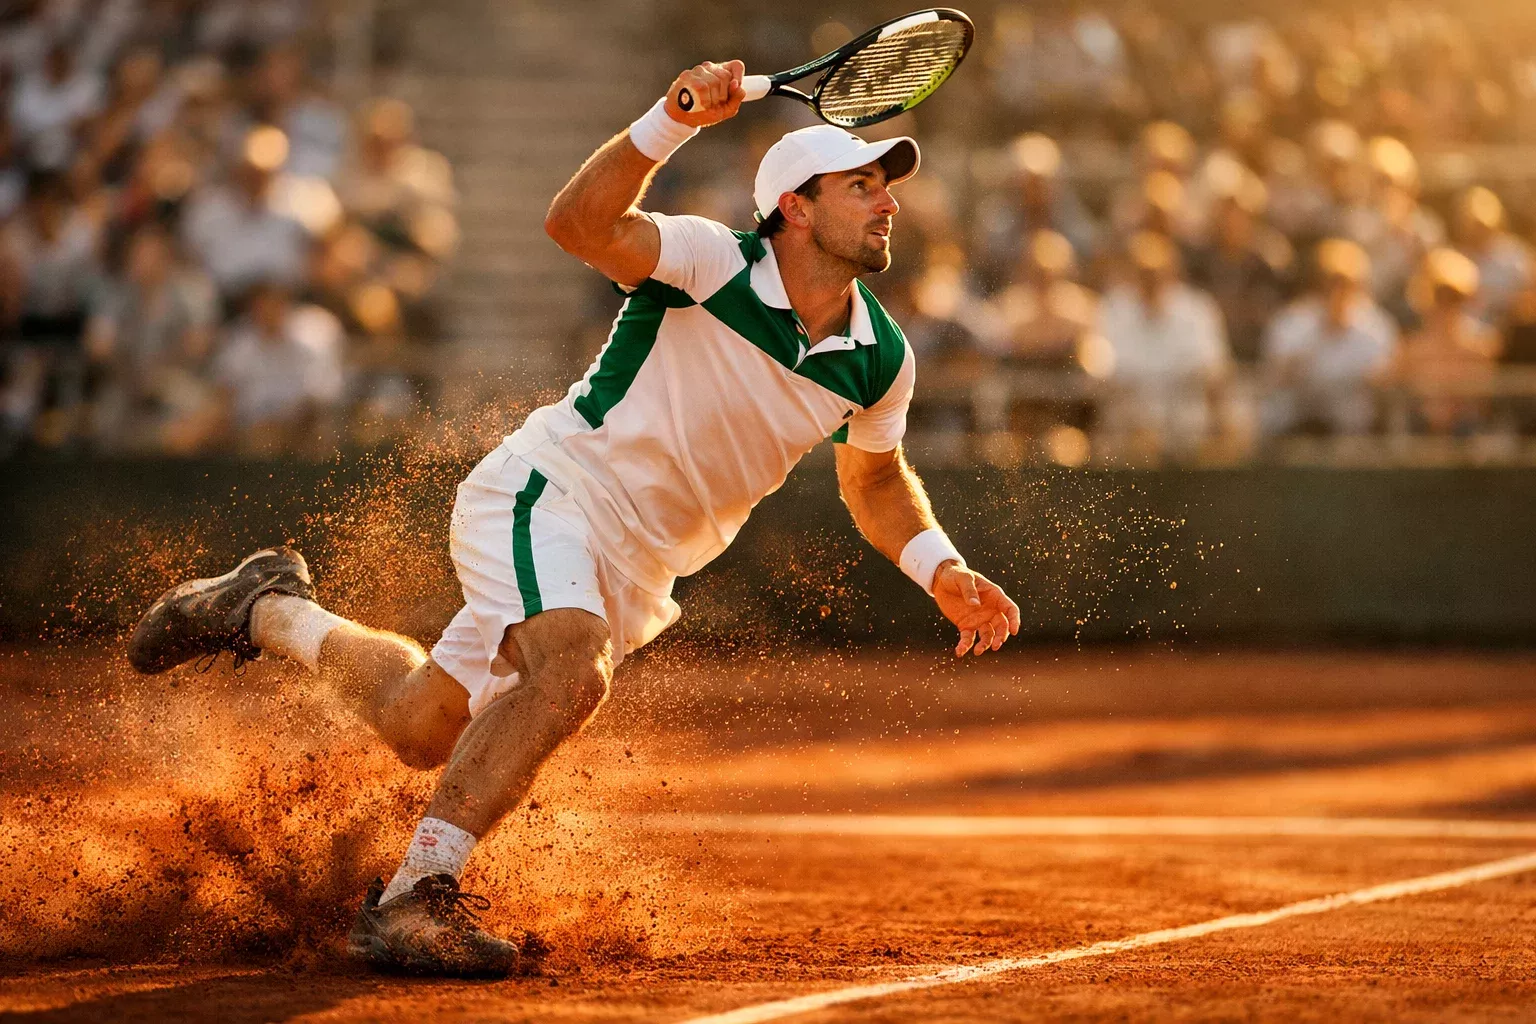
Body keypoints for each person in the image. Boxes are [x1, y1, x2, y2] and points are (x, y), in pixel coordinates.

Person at [126, 60, 1021, 977]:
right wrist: (670, 122)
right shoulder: (712, 261)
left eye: (886, 187)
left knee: (420, 726)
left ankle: (266, 607)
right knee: (570, 671)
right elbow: (576, 225)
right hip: (552, 490)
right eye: (862, 186)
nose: (888, 205)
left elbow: (874, 484)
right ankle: (412, 897)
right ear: (794, 207)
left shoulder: (881, 357)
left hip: (640, 567)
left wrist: (939, 567)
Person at [1096, 231, 1230, 463]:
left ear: (1173, 272)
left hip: (1190, 432)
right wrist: (1142, 424)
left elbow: (1212, 370)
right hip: (1128, 433)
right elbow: (1105, 373)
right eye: (1144, 274)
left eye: (1158, 274)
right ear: (1132, 273)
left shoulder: (1198, 310)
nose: (1151, 281)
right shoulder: (1112, 310)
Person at [1260, 238, 1398, 437]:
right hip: (1297, 427)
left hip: (1354, 434)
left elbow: (1385, 382)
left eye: (1346, 283)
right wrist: (1320, 335)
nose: (1338, 291)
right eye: (1331, 282)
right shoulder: (1291, 323)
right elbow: (1275, 377)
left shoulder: (1377, 328)